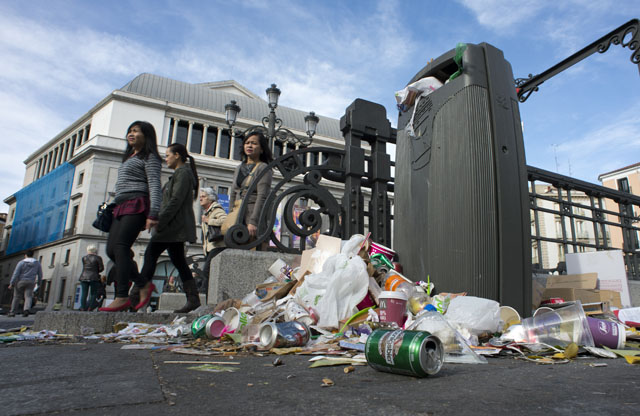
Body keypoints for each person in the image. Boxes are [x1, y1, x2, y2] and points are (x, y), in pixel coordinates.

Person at [100, 121, 162, 312]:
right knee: (112, 251)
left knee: (121, 246)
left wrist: (153, 214)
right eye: (130, 130)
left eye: (136, 131)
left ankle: (122, 296)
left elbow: (154, 185)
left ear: (147, 136)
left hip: (137, 204)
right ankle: (143, 283)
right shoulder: (128, 157)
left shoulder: (150, 158)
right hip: (120, 206)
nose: (131, 134)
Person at [139, 143, 200, 313]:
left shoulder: (183, 173)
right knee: (179, 261)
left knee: (151, 256)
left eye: (167, 155)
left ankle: (136, 298)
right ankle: (193, 299)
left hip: (171, 226)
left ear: (178, 155)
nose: (166, 158)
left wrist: (160, 221)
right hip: (173, 226)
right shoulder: (181, 174)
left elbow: (175, 201)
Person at [228, 131, 273, 242]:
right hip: (238, 214)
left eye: (254, 143)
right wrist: (231, 215)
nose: (249, 145)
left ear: (261, 149)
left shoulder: (263, 168)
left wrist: (253, 221)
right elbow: (233, 192)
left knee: (251, 246)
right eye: (247, 143)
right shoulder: (238, 168)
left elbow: (262, 196)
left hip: (251, 215)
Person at [200, 187, 227, 282]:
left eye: (203, 196)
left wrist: (209, 220)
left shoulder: (216, 209)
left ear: (210, 198)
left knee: (206, 272)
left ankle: (205, 294)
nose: (200, 198)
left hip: (217, 246)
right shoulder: (208, 211)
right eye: (200, 196)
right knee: (207, 273)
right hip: (210, 248)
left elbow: (225, 220)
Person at [8, 250, 43, 317]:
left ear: (25, 255)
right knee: (28, 296)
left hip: (20, 281)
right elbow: (40, 274)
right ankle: (26, 310)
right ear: (33, 255)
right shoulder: (37, 263)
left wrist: (11, 283)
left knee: (16, 297)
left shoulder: (21, 263)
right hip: (31, 282)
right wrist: (39, 283)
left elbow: (16, 273)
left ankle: (12, 312)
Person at [78, 245, 104, 311]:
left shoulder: (84, 258)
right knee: (93, 293)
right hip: (94, 277)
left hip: (83, 276)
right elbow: (101, 268)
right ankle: (90, 307)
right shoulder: (98, 258)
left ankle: (83, 307)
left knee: (84, 293)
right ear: (95, 250)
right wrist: (96, 271)